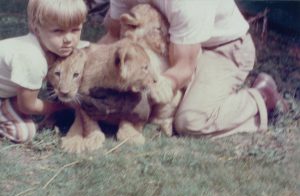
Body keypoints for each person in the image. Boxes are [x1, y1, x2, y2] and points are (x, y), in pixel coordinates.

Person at [95, 0, 288, 137]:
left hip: (221, 49)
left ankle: (261, 98)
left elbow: (184, 66)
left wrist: (166, 82)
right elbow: (113, 35)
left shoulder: (188, 3)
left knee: (190, 121)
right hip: (174, 44)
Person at [0, 0, 89, 143]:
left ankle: (9, 105)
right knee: (24, 133)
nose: (68, 39)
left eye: (75, 30)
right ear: (36, 28)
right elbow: (27, 106)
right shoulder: (33, 59)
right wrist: (60, 106)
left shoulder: (52, 45)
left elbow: (89, 47)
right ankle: (7, 106)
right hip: (15, 100)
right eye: (58, 31)